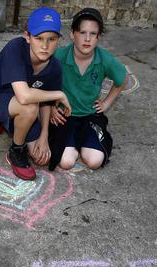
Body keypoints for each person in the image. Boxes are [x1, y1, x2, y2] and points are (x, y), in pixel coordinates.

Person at [0, 7, 71, 180]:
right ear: (27, 37)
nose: (45, 45)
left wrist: (44, 136)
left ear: (58, 40)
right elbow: (25, 96)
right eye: (39, 38)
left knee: (39, 156)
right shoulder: (15, 48)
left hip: (20, 103)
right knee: (29, 107)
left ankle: (7, 121)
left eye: (51, 39)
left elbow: (46, 103)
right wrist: (60, 95)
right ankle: (16, 151)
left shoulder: (54, 67)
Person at [48, 7, 128, 171]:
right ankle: (73, 146)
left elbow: (123, 78)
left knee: (94, 161)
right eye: (82, 32)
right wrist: (50, 107)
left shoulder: (104, 59)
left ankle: (82, 144)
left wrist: (106, 103)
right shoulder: (59, 56)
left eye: (93, 34)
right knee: (66, 162)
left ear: (98, 37)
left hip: (90, 115)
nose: (87, 38)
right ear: (72, 34)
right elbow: (44, 81)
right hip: (65, 115)